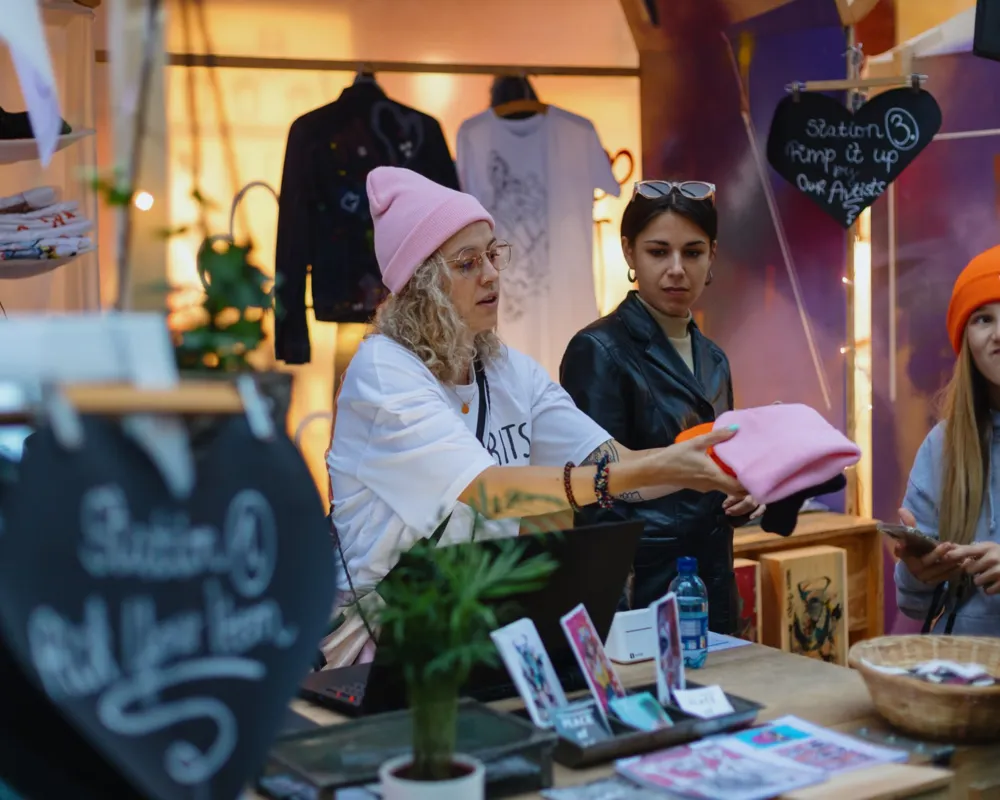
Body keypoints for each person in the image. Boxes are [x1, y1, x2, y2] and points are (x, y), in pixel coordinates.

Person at [321, 168, 750, 667]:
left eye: (492, 254)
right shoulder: (383, 370)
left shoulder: (504, 368)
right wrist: (645, 471)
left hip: (474, 636)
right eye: (467, 263)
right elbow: (489, 492)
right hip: (381, 648)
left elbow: (614, 462)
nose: (491, 274)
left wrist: (716, 468)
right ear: (421, 284)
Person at [560, 181, 760, 634]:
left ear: (712, 255)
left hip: (711, 584)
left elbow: (716, 466)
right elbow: (596, 496)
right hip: (641, 593)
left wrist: (743, 494)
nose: (676, 269)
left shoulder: (714, 358)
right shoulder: (598, 350)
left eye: (693, 253)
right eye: (658, 252)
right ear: (629, 252)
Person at [894, 245, 1000, 635]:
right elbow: (914, 605)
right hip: (959, 663)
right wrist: (917, 572)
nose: (999, 335)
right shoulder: (942, 446)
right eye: (983, 319)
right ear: (964, 339)